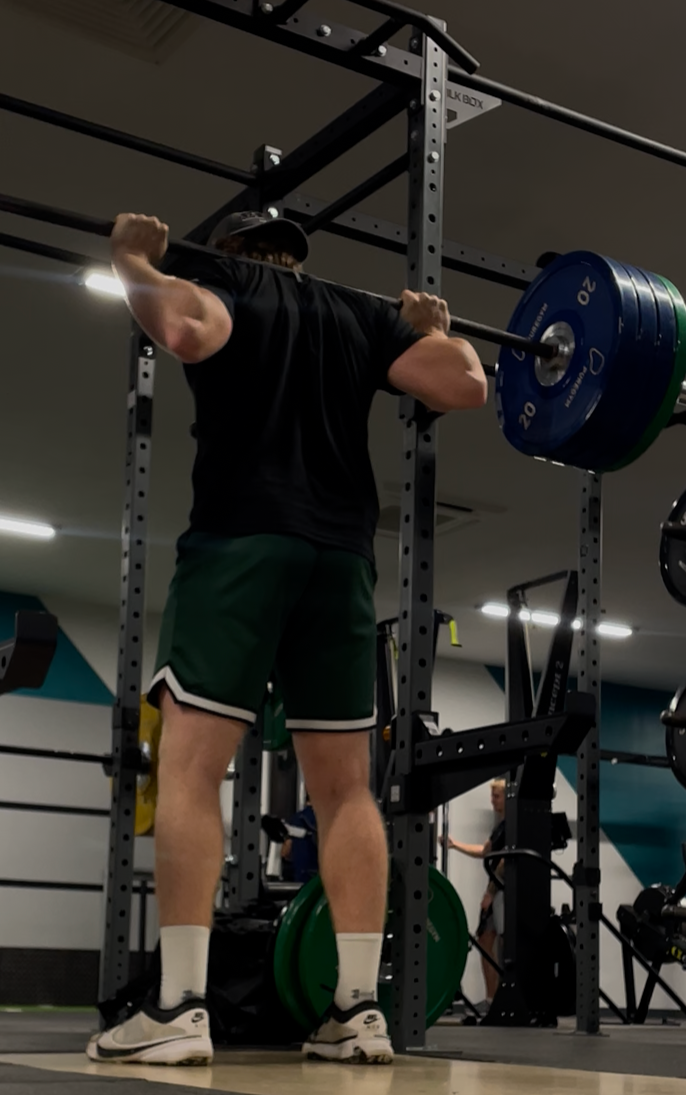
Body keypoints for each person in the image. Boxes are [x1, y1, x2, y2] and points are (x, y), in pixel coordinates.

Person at [86, 210, 487, 1067]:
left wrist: (131, 258)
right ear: (299, 258)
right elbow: (463, 384)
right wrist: (435, 329)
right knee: (345, 790)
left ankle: (179, 1006)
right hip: (340, 562)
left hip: (238, 545)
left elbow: (180, 327)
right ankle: (357, 1010)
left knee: (191, 768)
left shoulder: (227, 283)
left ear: (229, 251)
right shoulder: (359, 316)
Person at [444, 779, 506, 1010]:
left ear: (508, 798)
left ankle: (500, 999)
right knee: (485, 941)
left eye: (496, 797)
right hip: (496, 889)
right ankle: (491, 999)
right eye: (492, 796)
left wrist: (490, 892)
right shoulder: (500, 827)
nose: (492, 801)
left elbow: (504, 861)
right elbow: (485, 851)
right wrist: (455, 845)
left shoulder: (513, 825)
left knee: (503, 944)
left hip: (502, 891)